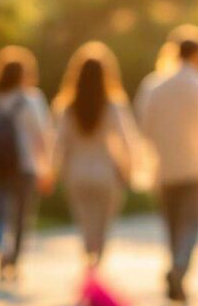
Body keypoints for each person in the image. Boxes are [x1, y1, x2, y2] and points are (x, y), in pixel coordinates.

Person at [139, 27, 198, 302]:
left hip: (165, 169)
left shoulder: (154, 85)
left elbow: (144, 128)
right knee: (191, 226)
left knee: (172, 227)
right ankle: (179, 268)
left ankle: (175, 266)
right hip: (196, 168)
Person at [52, 42, 141, 269]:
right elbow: (127, 141)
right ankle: (96, 264)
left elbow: (60, 144)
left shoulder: (68, 107)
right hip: (105, 173)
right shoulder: (113, 105)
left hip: (77, 173)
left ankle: (88, 260)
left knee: (85, 224)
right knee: (102, 225)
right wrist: (130, 170)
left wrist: (55, 172)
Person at [0, 45, 52, 283]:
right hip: (25, 166)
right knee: (21, 216)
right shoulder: (32, 99)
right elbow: (42, 135)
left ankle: (1, 247)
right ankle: (13, 261)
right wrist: (46, 168)